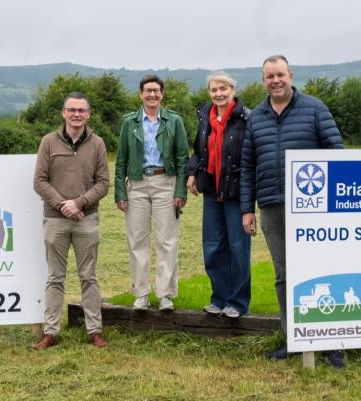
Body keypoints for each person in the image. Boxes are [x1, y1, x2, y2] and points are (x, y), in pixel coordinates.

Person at [240, 55, 345, 366]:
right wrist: (247, 208)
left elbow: (337, 153)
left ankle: (331, 344)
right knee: (284, 276)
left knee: (321, 273)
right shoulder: (256, 117)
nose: (276, 80)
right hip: (271, 206)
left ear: (291, 75)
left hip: (313, 209)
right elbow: (248, 166)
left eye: (280, 74)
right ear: (264, 81)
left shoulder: (315, 109)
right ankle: (293, 339)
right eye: (269, 76)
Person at [32, 92, 110, 349]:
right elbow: (39, 181)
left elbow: (103, 183)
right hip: (55, 220)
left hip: (87, 219)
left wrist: (80, 203)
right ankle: (51, 332)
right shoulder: (48, 142)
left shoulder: (97, 143)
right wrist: (64, 205)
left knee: (89, 276)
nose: (77, 115)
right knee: (55, 277)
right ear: (63, 113)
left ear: (88, 114)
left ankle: (94, 331)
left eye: (82, 110)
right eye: (72, 110)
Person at [115, 75, 189, 312]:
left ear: (162, 94)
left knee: (166, 240)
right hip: (136, 183)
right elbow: (121, 159)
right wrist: (120, 192)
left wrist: (180, 190)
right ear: (140, 94)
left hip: (165, 181)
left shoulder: (174, 121)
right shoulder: (129, 122)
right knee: (137, 240)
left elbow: (182, 158)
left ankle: (165, 293)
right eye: (148, 91)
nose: (152, 95)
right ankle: (142, 293)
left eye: (156, 91)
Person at [186, 71, 251, 318]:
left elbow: (249, 156)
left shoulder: (245, 118)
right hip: (211, 190)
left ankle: (238, 302)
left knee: (238, 247)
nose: (219, 93)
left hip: (235, 191)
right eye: (214, 90)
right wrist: (192, 173)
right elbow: (198, 150)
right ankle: (219, 298)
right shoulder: (205, 116)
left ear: (233, 90)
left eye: (223, 88)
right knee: (213, 246)